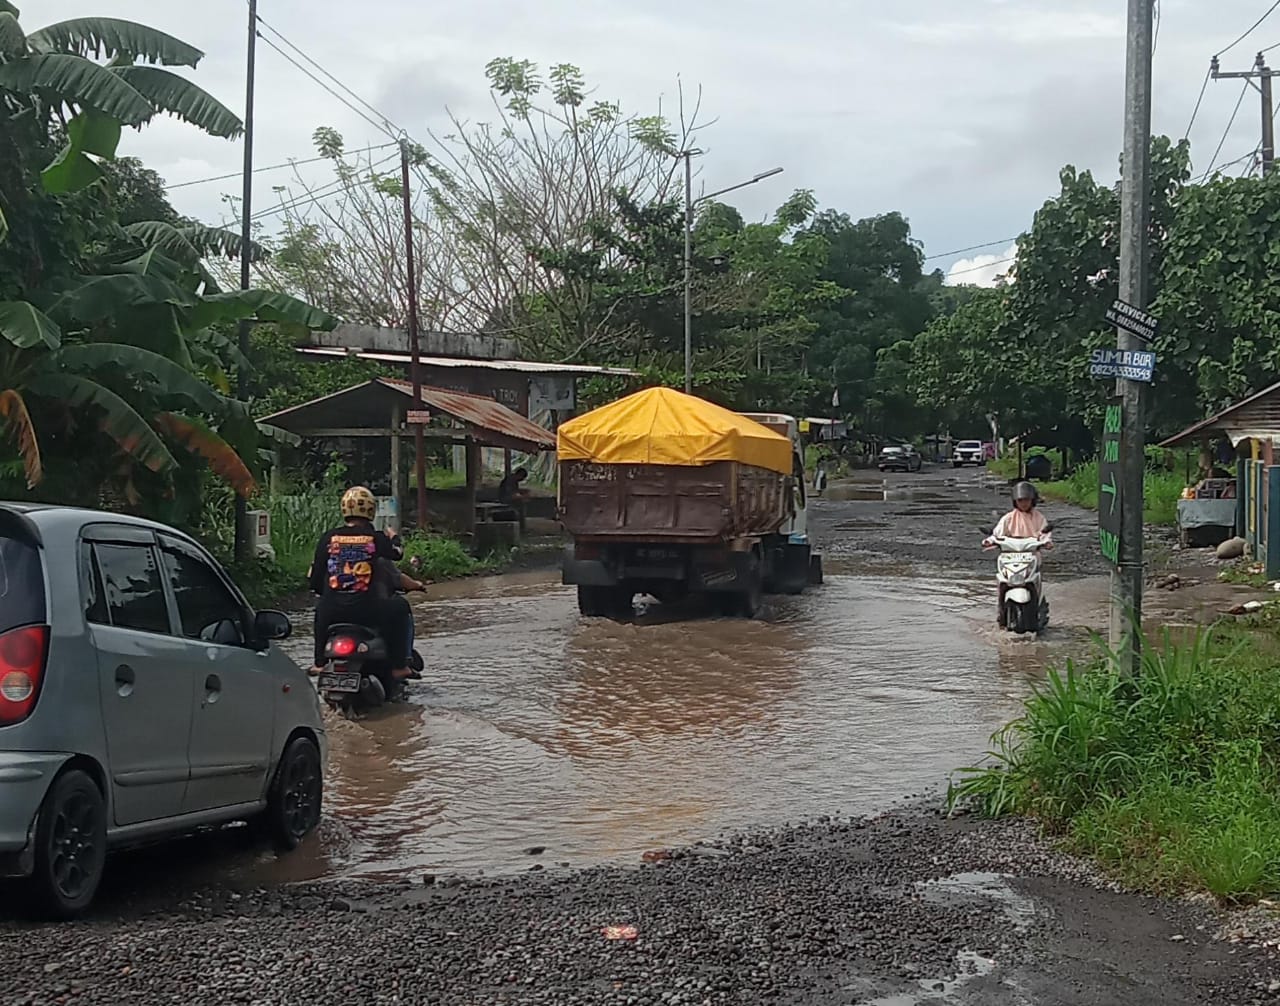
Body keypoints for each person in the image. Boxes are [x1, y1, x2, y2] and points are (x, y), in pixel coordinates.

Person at [309, 486, 412, 681]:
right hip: (369, 610)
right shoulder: (375, 538)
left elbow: (315, 581)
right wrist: (394, 537)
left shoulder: (328, 538)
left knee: (320, 608)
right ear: (371, 511)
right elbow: (397, 554)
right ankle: (400, 666)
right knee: (401, 606)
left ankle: (319, 663)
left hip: (333, 612)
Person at [984, 481, 1053, 628]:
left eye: (1026, 500)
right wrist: (989, 541)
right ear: (1015, 501)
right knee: (1003, 581)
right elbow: (997, 534)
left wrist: (1046, 542)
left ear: (1032, 500)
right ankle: (1001, 610)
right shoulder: (1008, 518)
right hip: (1009, 556)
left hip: (1031, 556)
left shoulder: (1039, 518)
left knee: (1034, 580)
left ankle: (1036, 607)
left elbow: (1045, 534)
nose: (1023, 503)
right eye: (1020, 500)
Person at [372, 556, 430, 679]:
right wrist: (417, 585)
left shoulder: (334, 555)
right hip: (372, 607)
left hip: (337, 609)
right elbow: (399, 579)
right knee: (402, 606)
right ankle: (402, 664)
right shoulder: (377, 557)